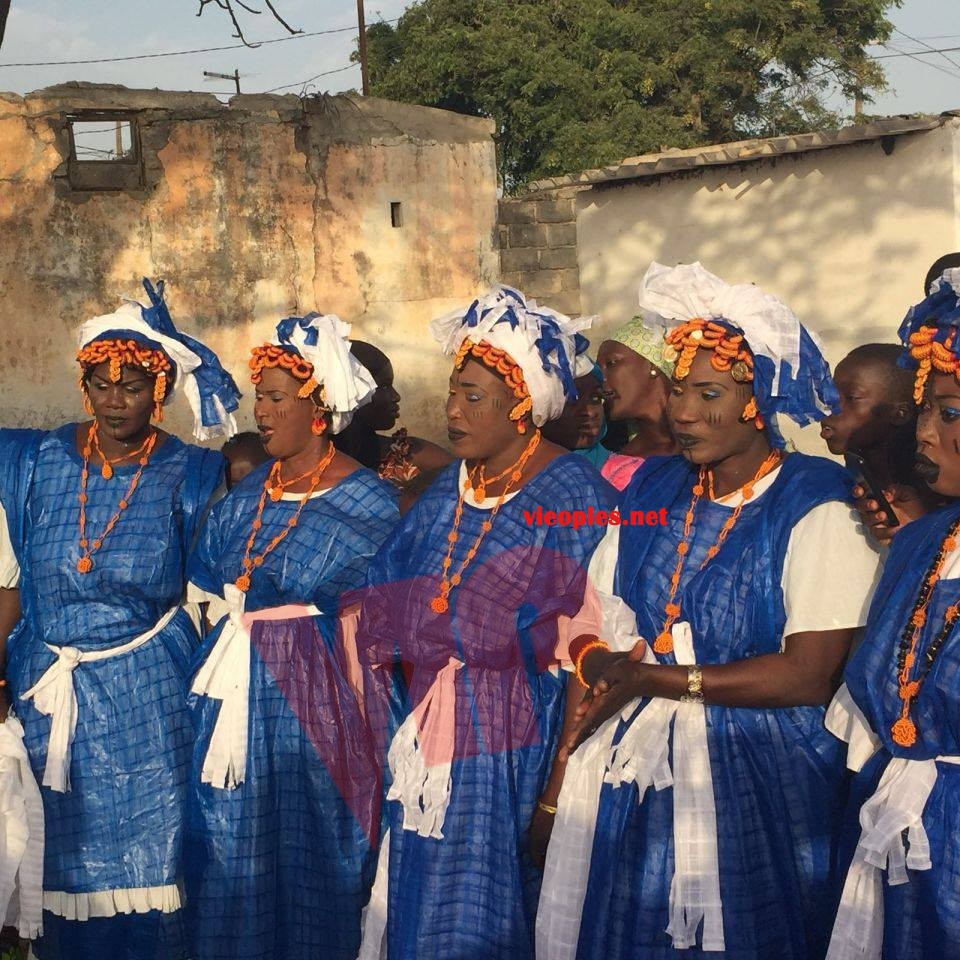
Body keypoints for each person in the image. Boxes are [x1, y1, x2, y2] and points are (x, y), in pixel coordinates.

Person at [537, 262, 881, 960]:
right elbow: (591, 606)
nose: (683, 413)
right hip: (638, 772)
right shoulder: (653, 489)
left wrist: (657, 682)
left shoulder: (814, 499)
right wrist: (600, 659)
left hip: (760, 774)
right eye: (677, 391)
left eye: (710, 393)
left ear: (759, 403)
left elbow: (807, 674)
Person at [356, 287, 616, 960]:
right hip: (426, 728)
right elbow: (387, 586)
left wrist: (555, 790)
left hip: (513, 741)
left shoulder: (573, 495)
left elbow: (586, 645)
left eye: (474, 396)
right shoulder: (452, 485)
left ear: (522, 404)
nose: (451, 410)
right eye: (452, 393)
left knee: (492, 913)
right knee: (419, 901)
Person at [0, 279, 239, 960]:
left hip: (148, 699)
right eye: (101, 383)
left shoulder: (191, 474)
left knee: (151, 859)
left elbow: (220, 592)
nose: (114, 399)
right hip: (49, 688)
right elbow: (7, 576)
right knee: (59, 854)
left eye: (131, 385)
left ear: (157, 390)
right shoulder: (33, 460)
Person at [183, 312, 400, 960]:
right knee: (227, 854)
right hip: (228, 712)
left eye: (277, 398)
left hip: (317, 712)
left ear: (319, 409)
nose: (263, 411)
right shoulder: (248, 495)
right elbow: (203, 591)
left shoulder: (367, 503)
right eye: (262, 398)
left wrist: (368, 752)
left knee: (312, 860)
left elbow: (375, 637)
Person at [824, 269, 960, 960]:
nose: (926, 432)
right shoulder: (925, 544)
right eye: (928, 409)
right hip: (893, 848)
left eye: (951, 412)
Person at [333, 341, 452, 511]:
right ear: (350, 393)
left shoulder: (415, 458)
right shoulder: (304, 469)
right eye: (384, 386)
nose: (396, 396)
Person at [596, 314, 678, 490]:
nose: (601, 380)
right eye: (599, 369)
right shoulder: (615, 456)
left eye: (612, 363)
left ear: (653, 366)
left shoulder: (705, 443)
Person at [541, 361, 610, 470]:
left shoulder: (629, 476)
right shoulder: (516, 476)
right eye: (572, 399)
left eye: (596, 398)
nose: (590, 413)